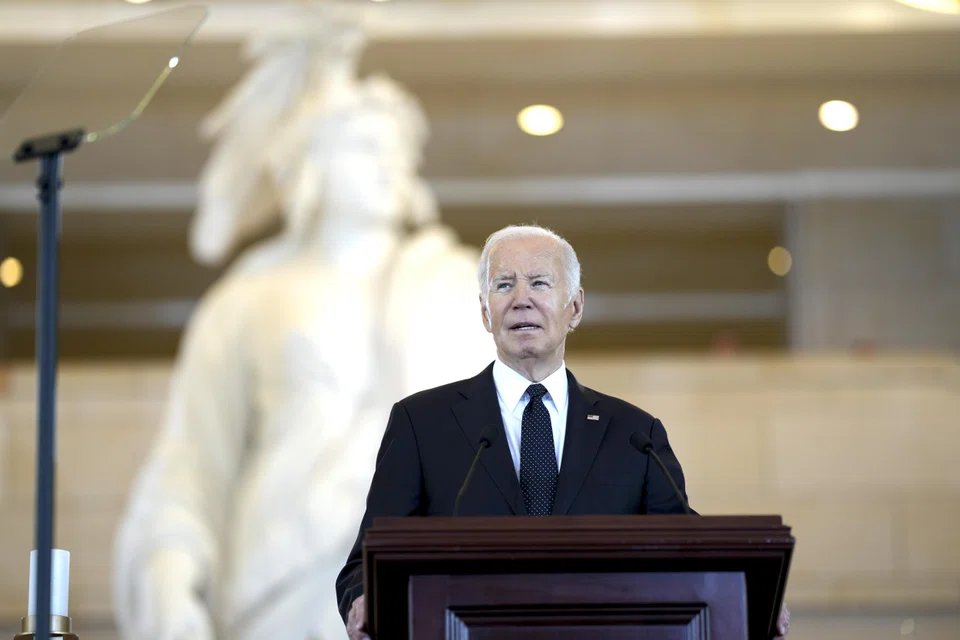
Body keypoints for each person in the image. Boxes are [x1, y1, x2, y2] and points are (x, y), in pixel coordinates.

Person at [112, 17, 494, 640]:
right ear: (309, 162)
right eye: (363, 146)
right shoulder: (249, 298)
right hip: (275, 580)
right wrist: (168, 568)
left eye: (396, 147)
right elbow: (192, 461)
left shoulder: (457, 289)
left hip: (414, 582)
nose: (386, 163)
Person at [336, 224, 790, 640]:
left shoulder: (634, 434)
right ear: (484, 312)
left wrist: (751, 593)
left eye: (539, 283)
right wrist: (363, 600)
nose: (520, 299)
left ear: (574, 307)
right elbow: (364, 563)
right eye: (503, 285)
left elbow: (688, 553)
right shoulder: (422, 423)